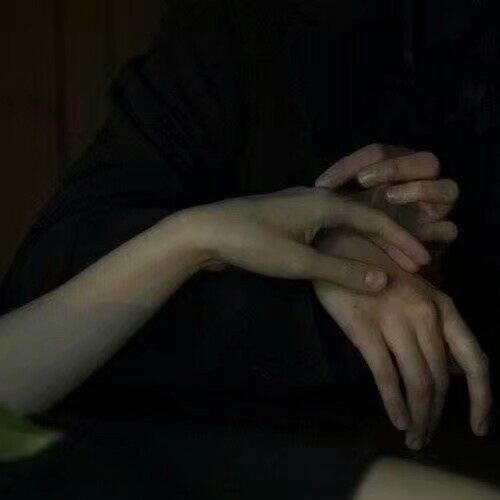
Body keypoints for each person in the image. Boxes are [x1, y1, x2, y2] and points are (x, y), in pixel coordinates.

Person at [0, 0, 498, 498]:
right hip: (188, 438)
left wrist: (391, 241)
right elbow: (46, 294)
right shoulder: (229, 35)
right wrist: (324, 252)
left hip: (419, 439)